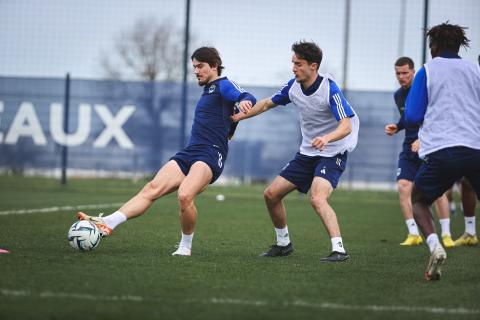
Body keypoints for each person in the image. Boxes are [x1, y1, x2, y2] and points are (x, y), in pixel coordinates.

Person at [76, 47, 257, 256]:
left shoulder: (223, 85)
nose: (196, 71)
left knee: (184, 195)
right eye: (194, 67)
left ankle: (185, 247)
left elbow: (245, 95)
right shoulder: (207, 91)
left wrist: (245, 101)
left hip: (210, 154)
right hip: (190, 152)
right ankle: (108, 222)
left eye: (201, 66)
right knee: (152, 188)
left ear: (214, 66)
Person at [232, 41, 359, 262]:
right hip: (307, 152)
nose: (294, 68)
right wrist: (238, 117)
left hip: (333, 152)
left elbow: (346, 125)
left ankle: (339, 250)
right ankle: (283, 244)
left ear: (313, 66)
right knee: (271, 194)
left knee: (317, 198)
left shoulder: (330, 88)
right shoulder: (293, 87)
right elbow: (265, 104)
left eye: (298, 64)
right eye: (293, 63)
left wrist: (327, 138)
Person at [405, 22, 480, 280]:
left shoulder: (428, 70)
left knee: (417, 200)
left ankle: (435, 246)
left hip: (443, 151)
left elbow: (413, 115)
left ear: (433, 46)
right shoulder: (475, 69)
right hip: (477, 149)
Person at [385, 57, 454, 248]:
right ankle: (413, 233)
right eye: (398, 73)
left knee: (438, 191)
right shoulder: (398, 95)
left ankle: (447, 234)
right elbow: (408, 120)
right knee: (403, 186)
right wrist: (397, 127)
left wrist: (423, 139)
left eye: (405, 72)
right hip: (409, 148)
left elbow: (437, 119)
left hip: (431, 144)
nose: (401, 76)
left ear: (413, 72)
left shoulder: (427, 90)